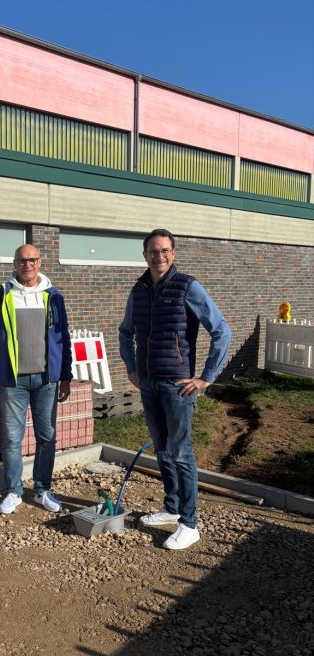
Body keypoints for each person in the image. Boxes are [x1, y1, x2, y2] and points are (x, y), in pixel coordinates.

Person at [119, 229, 231, 550]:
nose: (160, 256)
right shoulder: (139, 290)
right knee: (163, 450)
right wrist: (131, 367)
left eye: (166, 250)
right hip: (149, 383)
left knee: (182, 453)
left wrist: (206, 377)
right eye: (154, 251)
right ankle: (171, 507)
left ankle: (190, 523)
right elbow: (126, 332)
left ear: (174, 253)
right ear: (145, 255)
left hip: (178, 385)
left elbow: (221, 330)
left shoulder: (188, 287)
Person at [0, 244, 72, 514]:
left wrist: (66, 376)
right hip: (13, 382)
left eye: (32, 260)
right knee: (11, 438)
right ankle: (13, 490)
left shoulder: (53, 297)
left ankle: (43, 489)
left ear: (40, 262)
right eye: (22, 260)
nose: (27, 265)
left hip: (46, 381)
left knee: (47, 437)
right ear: (14, 263)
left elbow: (63, 339)